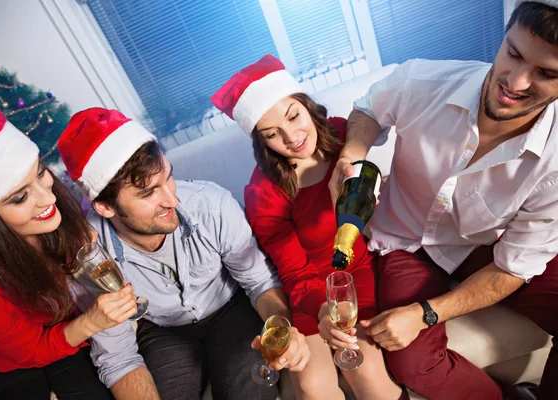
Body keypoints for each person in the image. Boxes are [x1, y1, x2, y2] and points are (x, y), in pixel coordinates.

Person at [329, 1, 558, 399]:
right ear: (502, 39)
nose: (516, 83)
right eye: (514, 54)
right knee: (411, 362)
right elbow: (368, 109)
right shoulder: (423, 80)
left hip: (483, 244)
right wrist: (353, 152)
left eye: (546, 73)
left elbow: (512, 269)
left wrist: (426, 313)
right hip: (403, 243)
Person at [58, 107, 311, 400]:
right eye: (148, 193)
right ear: (105, 207)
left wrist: (284, 327)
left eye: (168, 177)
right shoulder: (89, 258)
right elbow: (118, 358)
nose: (171, 199)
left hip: (231, 309)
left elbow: (260, 283)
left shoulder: (211, 204)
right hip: (162, 330)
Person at [211, 54, 404, 400]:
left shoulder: (346, 134)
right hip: (309, 289)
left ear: (306, 105)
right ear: (262, 142)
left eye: (294, 116)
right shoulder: (263, 192)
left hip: (357, 274)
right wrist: (322, 313)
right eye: (273, 134)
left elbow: (387, 113)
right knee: (314, 390)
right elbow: (294, 272)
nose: (293, 138)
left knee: (366, 371)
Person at [0, 99, 136, 400]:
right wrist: (92, 321)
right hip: (9, 364)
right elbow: (32, 351)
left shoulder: (58, 222)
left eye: (40, 173)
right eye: (19, 198)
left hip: (64, 333)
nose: (47, 199)